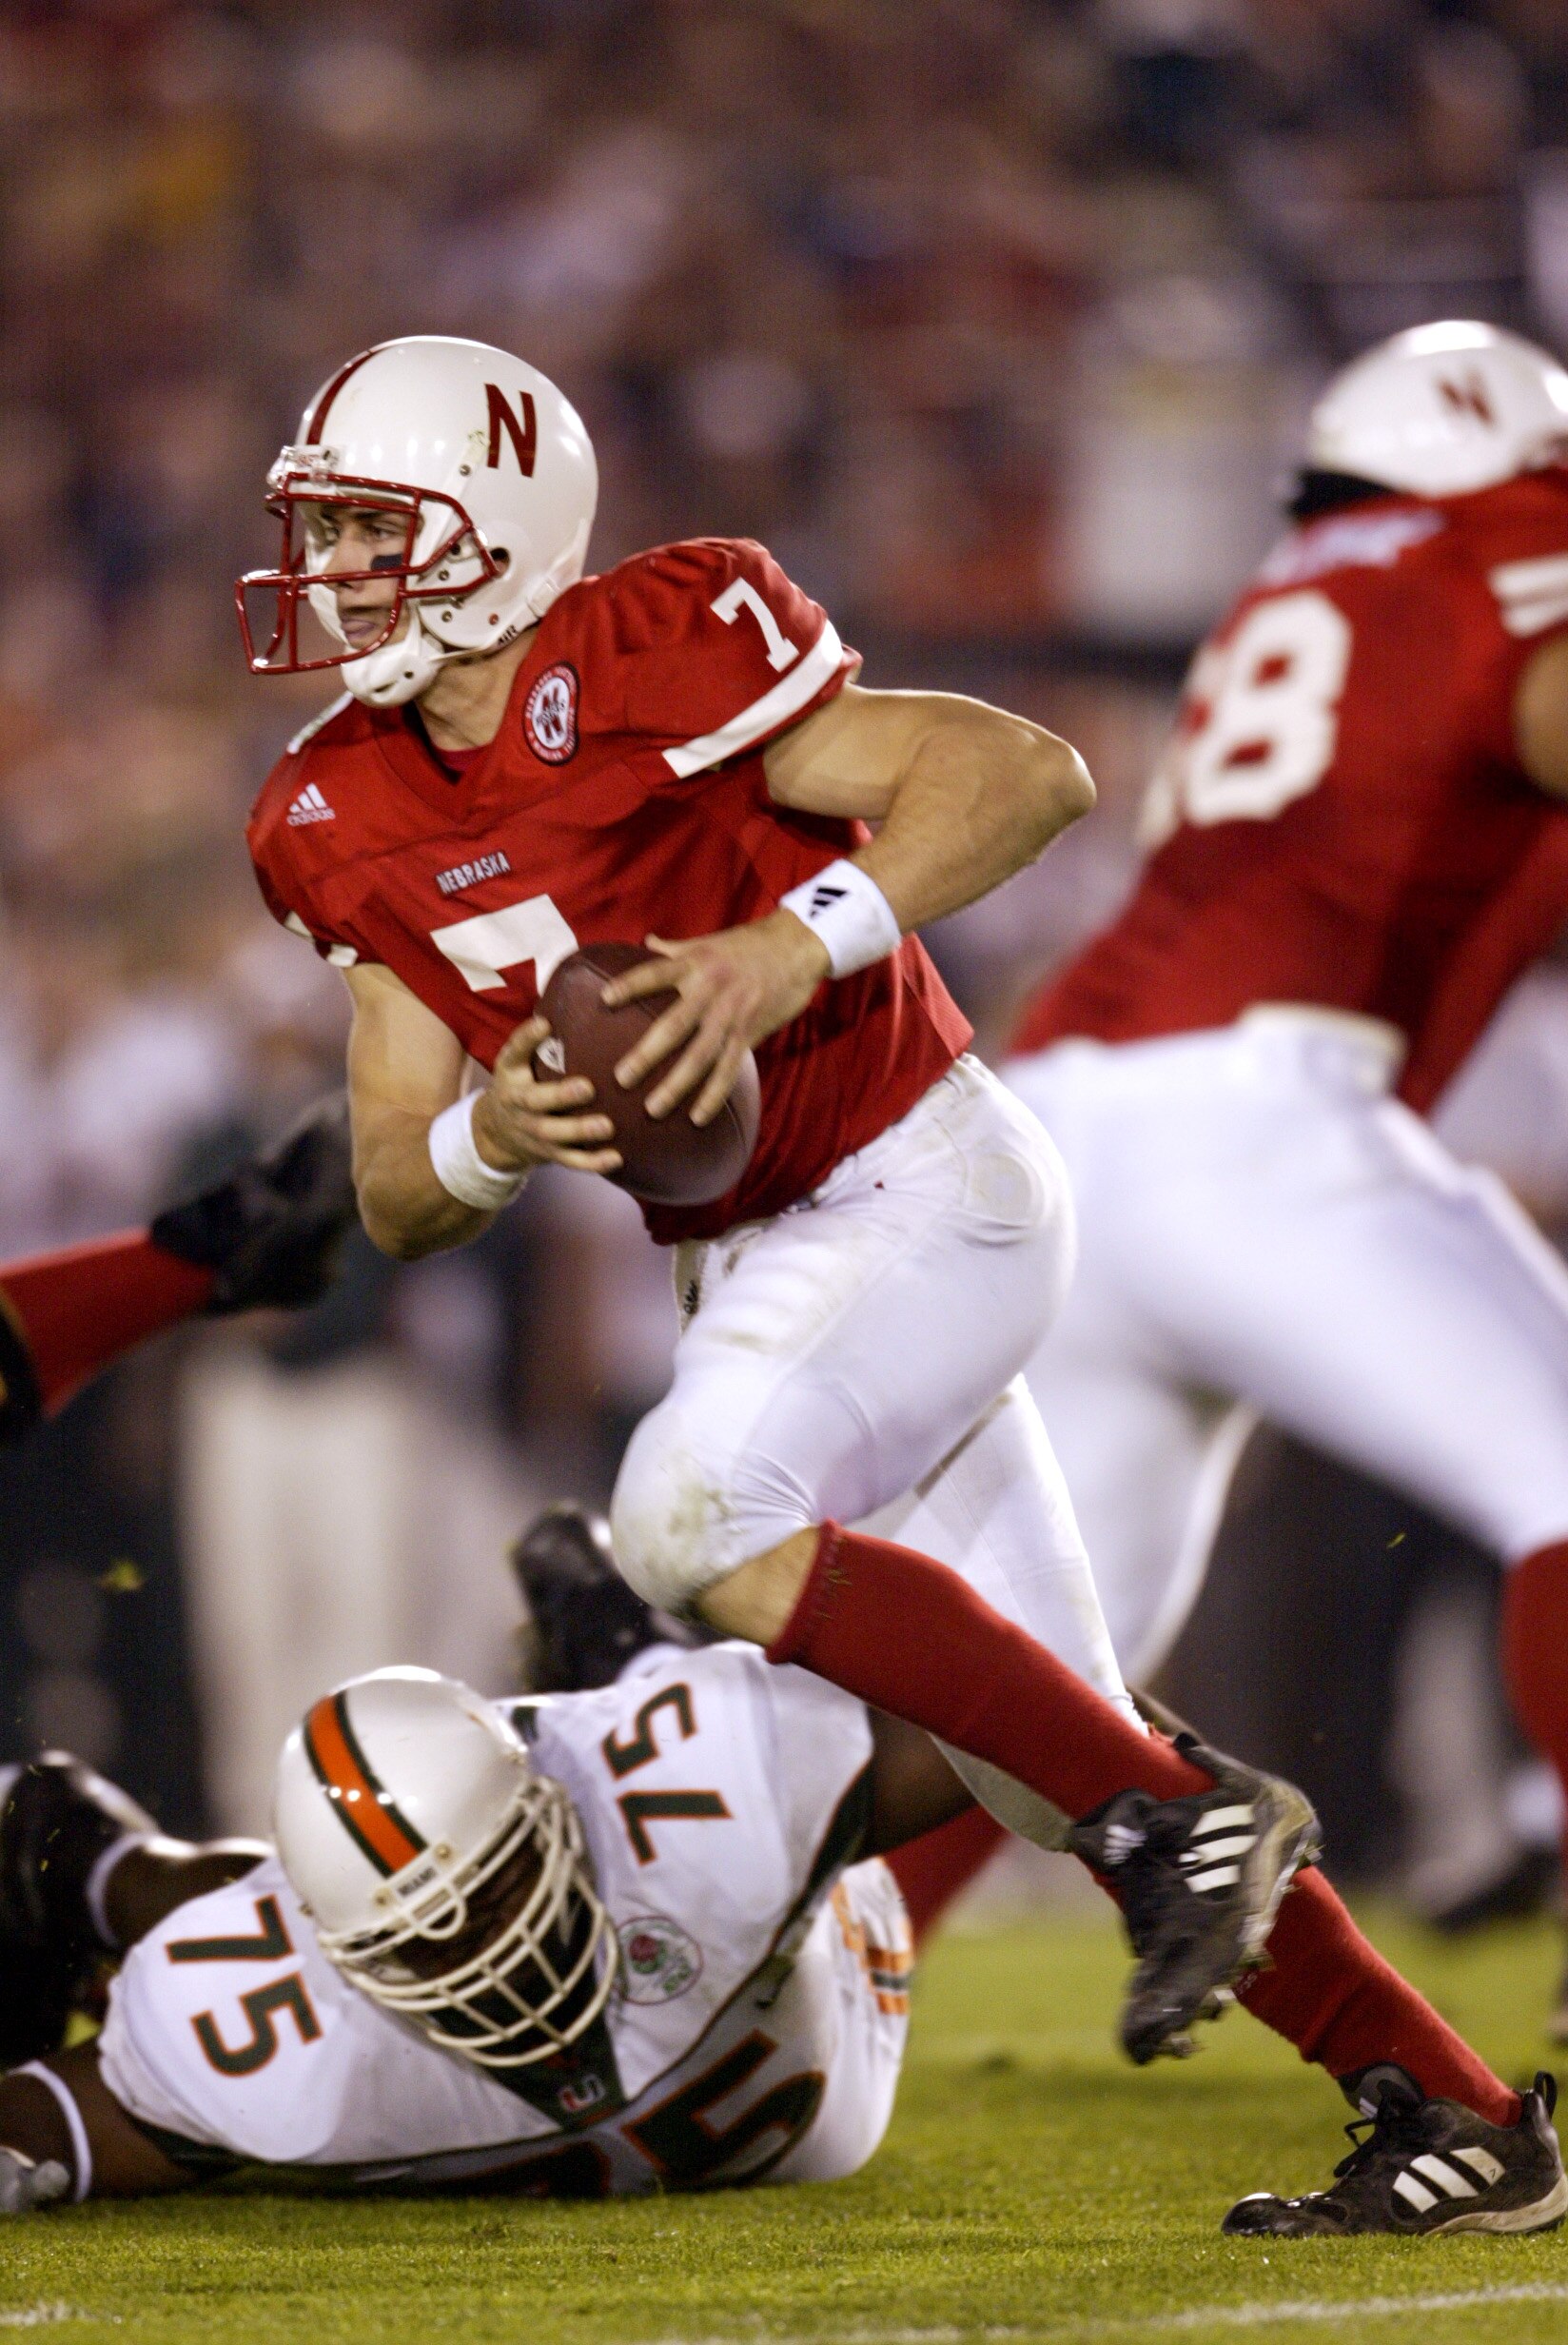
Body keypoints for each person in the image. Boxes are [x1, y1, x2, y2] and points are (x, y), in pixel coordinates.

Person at [238, 332, 1322, 2064]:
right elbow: (392, 1189)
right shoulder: (324, 807)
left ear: (496, 530)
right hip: (748, 1250)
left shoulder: (663, 641)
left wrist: (777, 944)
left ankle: (1127, 1812)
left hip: (902, 1171)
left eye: (373, 527)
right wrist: (493, 1138)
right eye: (325, 529)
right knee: (1051, 1739)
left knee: (686, 1514)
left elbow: (1029, 773)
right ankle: (1443, 2110)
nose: (332, 571)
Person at [0, 1503, 1559, 2236]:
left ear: (549, 1811)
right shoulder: (258, 2030)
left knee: (1091, 1761)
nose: (496, 1953)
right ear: (332, 1956)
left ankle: (629, 1640)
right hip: (757, 2073)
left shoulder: (680, 1798)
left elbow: (1074, 1720)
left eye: (495, 1888)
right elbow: (50, 2121)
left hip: (818, 2006)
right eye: (436, 1935)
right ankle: (617, 1633)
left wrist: (1146, 1800)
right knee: (61, 1854)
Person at [1004, 321, 1568, 2034]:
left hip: (1061, 1134)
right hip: (1250, 1110)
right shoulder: (1497, 544)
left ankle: (776, 1982)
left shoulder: (1284, 586)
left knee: (1017, 1658)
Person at [0, 1095, 357, 1445]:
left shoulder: (350, 1141)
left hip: (347, 1376)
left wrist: (302, 1312)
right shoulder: (217, 1144)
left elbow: (373, 1266)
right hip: (224, 1373)